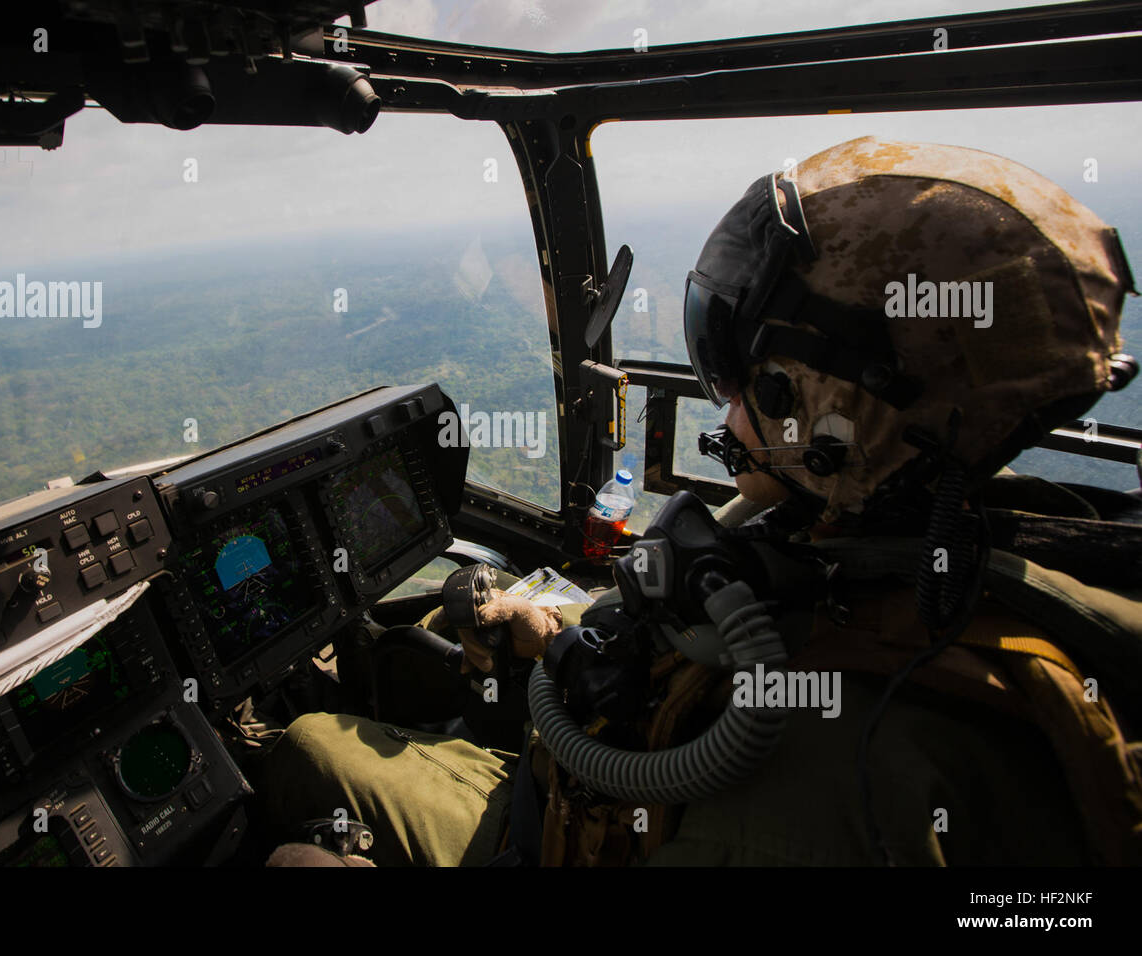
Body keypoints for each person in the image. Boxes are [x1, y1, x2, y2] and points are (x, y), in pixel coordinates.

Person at [252, 136, 1142, 866]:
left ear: (830, 404)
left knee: (308, 752)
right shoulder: (947, 527)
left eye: (744, 363)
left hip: (555, 834)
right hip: (594, 784)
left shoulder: (836, 768)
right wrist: (564, 644)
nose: (728, 402)